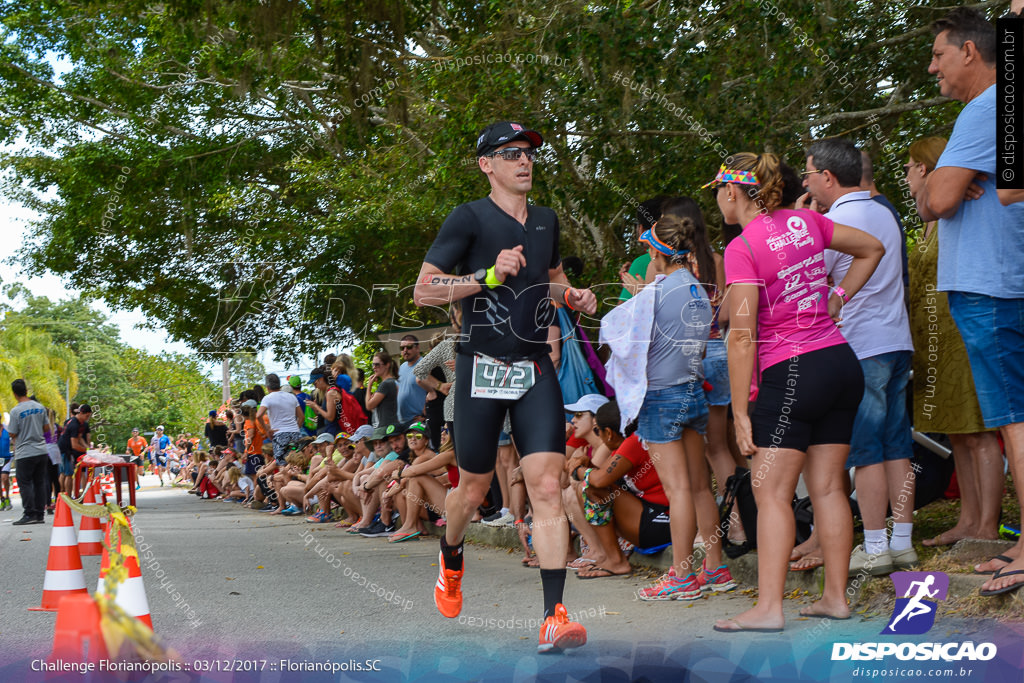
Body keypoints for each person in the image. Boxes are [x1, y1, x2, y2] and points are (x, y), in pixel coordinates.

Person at [413, 120, 596, 653]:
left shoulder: (545, 220)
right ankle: (451, 554)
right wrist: (488, 277)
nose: (525, 161)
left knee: (546, 484)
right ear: (486, 165)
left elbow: (552, 281)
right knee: (470, 490)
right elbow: (425, 290)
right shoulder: (467, 218)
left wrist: (573, 297)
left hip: (535, 365)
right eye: (511, 153)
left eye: (530, 154)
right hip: (480, 364)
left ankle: (554, 616)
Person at [705, 153, 882, 632]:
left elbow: (740, 336)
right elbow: (873, 248)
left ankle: (768, 608)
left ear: (734, 191)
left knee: (771, 494)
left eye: (720, 189)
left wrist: (739, 412)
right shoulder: (807, 221)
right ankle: (836, 598)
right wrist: (837, 297)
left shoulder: (744, 247)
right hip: (839, 364)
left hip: (793, 371)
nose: (719, 199)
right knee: (827, 487)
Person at [915, 8, 1024, 596]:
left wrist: (941, 185)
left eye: (938, 54)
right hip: (1006, 278)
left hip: (990, 286)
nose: (932, 67)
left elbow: (938, 198)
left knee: (1012, 420)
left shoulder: (984, 110)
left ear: (971, 53)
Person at [802, 138, 916, 576]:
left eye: (810, 174)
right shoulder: (885, 212)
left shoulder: (834, 222)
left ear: (827, 177)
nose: (808, 182)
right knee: (897, 443)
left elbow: (814, 279)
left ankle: (874, 545)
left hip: (861, 344)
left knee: (866, 449)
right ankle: (901, 540)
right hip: (895, 339)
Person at [904, 136, 1003, 548]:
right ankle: (967, 519)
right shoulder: (926, 220)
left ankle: (987, 523)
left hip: (963, 331)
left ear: (924, 168)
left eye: (910, 165)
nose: (906, 173)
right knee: (956, 433)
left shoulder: (961, 203)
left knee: (979, 432)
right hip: (933, 338)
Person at [8, 379, 53, 525]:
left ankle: (29, 513)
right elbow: (46, 428)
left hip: (25, 452)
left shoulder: (16, 411)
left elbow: (12, 433)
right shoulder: (40, 407)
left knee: (25, 483)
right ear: (26, 390)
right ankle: (40, 514)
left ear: (15, 394)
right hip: (41, 450)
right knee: (39, 482)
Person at [256, 373, 304, 468]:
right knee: (296, 464)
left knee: (282, 465)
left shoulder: (267, 398)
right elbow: (301, 417)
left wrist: (267, 430)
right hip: (295, 434)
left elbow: (258, 415)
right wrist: (295, 429)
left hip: (279, 434)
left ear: (267, 386)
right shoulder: (291, 397)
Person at [58, 404, 92, 496]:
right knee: (68, 474)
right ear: (81, 413)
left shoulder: (79, 423)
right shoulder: (74, 424)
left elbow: (80, 438)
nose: (87, 418)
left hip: (65, 449)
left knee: (64, 473)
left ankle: (63, 496)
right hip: (65, 450)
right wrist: (87, 452)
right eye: (86, 416)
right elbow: (74, 445)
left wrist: (88, 449)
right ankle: (67, 497)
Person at [397, 335, 429, 424]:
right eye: (402, 348)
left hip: (418, 422)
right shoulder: (402, 367)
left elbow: (434, 391)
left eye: (409, 347)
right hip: (402, 422)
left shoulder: (425, 365)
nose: (405, 350)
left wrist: (425, 416)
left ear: (417, 348)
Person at [364, 352, 399, 429]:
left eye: (377, 365)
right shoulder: (393, 382)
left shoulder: (386, 384)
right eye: (373, 364)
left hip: (387, 427)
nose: (374, 367)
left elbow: (369, 406)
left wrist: (369, 385)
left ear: (387, 365)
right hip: (392, 425)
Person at [0, 421, 11, 510]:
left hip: (6, 457)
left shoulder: (6, 429)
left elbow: (14, 436)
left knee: (5, 478)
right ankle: (2, 499)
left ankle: (7, 496)